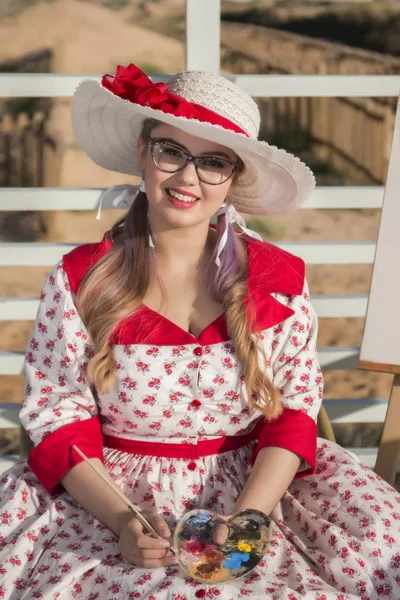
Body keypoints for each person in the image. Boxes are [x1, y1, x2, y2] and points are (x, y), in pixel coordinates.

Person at [0, 63, 399, 600]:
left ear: (233, 178)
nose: (188, 178)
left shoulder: (278, 281)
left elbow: (294, 410)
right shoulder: (82, 279)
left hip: (257, 488)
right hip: (114, 497)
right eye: (171, 151)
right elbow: (59, 414)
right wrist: (122, 521)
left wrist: (250, 521)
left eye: (213, 163)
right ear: (143, 151)